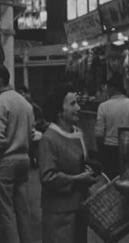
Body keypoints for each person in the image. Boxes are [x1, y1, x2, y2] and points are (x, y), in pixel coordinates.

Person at [38, 83, 98, 243]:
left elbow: (80, 163)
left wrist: (89, 172)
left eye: (77, 102)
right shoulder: (48, 139)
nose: (78, 107)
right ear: (59, 111)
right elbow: (48, 177)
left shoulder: (78, 133)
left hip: (79, 208)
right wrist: (78, 179)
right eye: (72, 104)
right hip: (59, 214)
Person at [0, 64, 33, 243]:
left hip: (5, 162)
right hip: (23, 160)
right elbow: (30, 133)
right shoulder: (24, 103)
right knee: (23, 211)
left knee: (5, 213)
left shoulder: (0, 102)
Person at [95, 73, 129, 178]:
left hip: (110, 151)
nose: (107, 90)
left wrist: (102, 152)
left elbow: (99, 135)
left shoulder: (103, 107)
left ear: (112, 88)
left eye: (108, 87)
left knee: (111, 181)